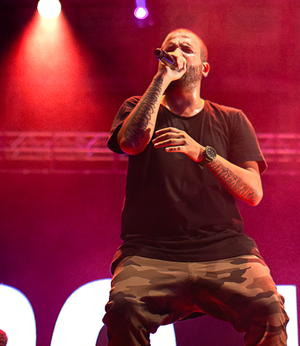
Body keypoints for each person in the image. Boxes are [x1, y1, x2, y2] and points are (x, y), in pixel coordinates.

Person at [103, 28, 289, 346]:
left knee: (269, 309)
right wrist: (162, 79)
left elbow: (253, 193)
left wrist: (203, 153)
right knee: (124, 309)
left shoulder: (231, 119)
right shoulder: (137, 106)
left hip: (225, 252)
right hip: (150, 252)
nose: (176, 52)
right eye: (170, 48)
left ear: (204, 67)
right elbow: (131, 143)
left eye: (186, 49)